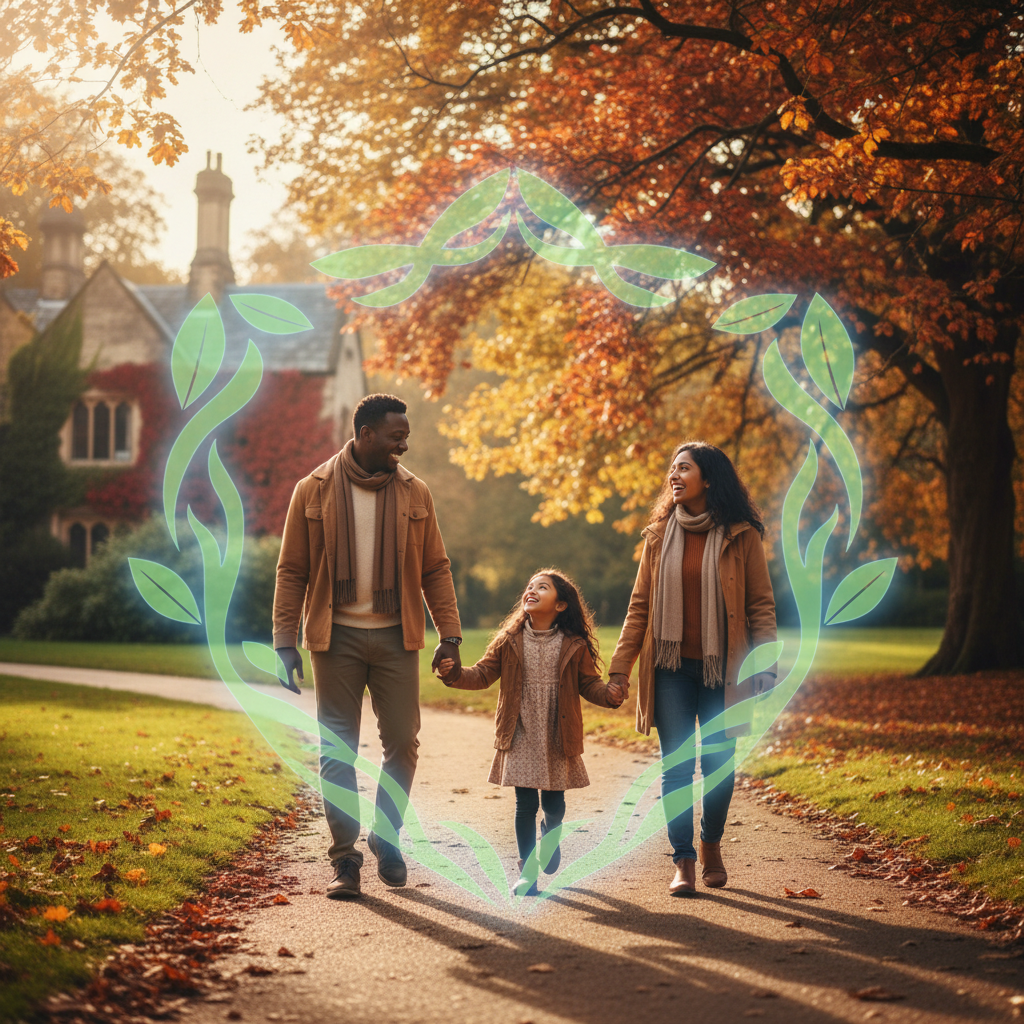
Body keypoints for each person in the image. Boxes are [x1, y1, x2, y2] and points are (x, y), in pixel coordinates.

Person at [272, 393, 463, 899]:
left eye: (406, 434)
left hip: (397, 638)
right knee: (338, 749)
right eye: (395, 435)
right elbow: (292, 570)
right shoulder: (311, 490)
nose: (405, 443)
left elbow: (435, 569)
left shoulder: (415, 492)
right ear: (365, 434)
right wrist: (283, 641)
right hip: (335, 640)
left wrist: (451, 635)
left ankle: (386, 834)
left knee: (403, 742)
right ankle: (345, 858)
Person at [608, 442, 777, 896]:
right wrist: (621, 668)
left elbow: (761, 604)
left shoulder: (743, 535)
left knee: (719, 764)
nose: (674, 476)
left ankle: (711, 845)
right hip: (670, 668)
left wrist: (766, 662)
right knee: (677, 767)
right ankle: (682, 859)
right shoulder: (660, 534)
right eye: (672, 469)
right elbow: (639, 606)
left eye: (684, 468)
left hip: (725, 670)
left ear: (709, 478)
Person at [438, 570, 622, 895]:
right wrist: (455, 676)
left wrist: (607, 695)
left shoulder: (573, 644)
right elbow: (481, 674)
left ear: (561, 604)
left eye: (542, 587)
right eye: (530, 586)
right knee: (525, 803)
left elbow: (588, 683)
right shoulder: (509, 641)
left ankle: (551, 829)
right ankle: (527, 871)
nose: (532, 590)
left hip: (555, 731)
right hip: (520, 730)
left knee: (554, 803)